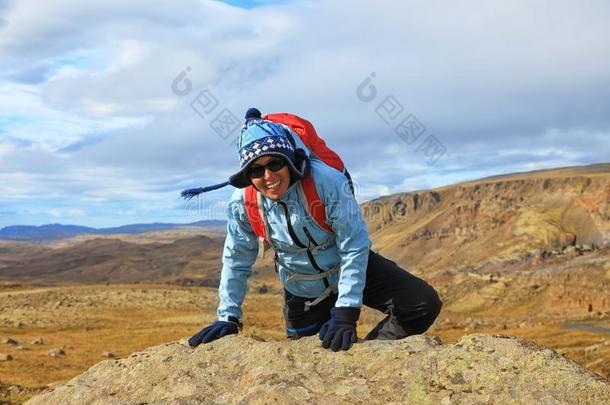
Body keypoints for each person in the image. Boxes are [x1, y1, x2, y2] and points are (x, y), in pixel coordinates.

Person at [188, 109, 442, 352]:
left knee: (421, 303)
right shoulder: (243, 202)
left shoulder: (327, 182)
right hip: (302, 289)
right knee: (308, 355)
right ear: (247, 175)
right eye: (256, 169)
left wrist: (347, 310)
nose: (268, 176)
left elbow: (353, 245)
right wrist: (228, 316)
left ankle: (373, 355)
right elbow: (236, 259)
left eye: (275, 163)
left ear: (289, 161)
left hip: (346, 265)